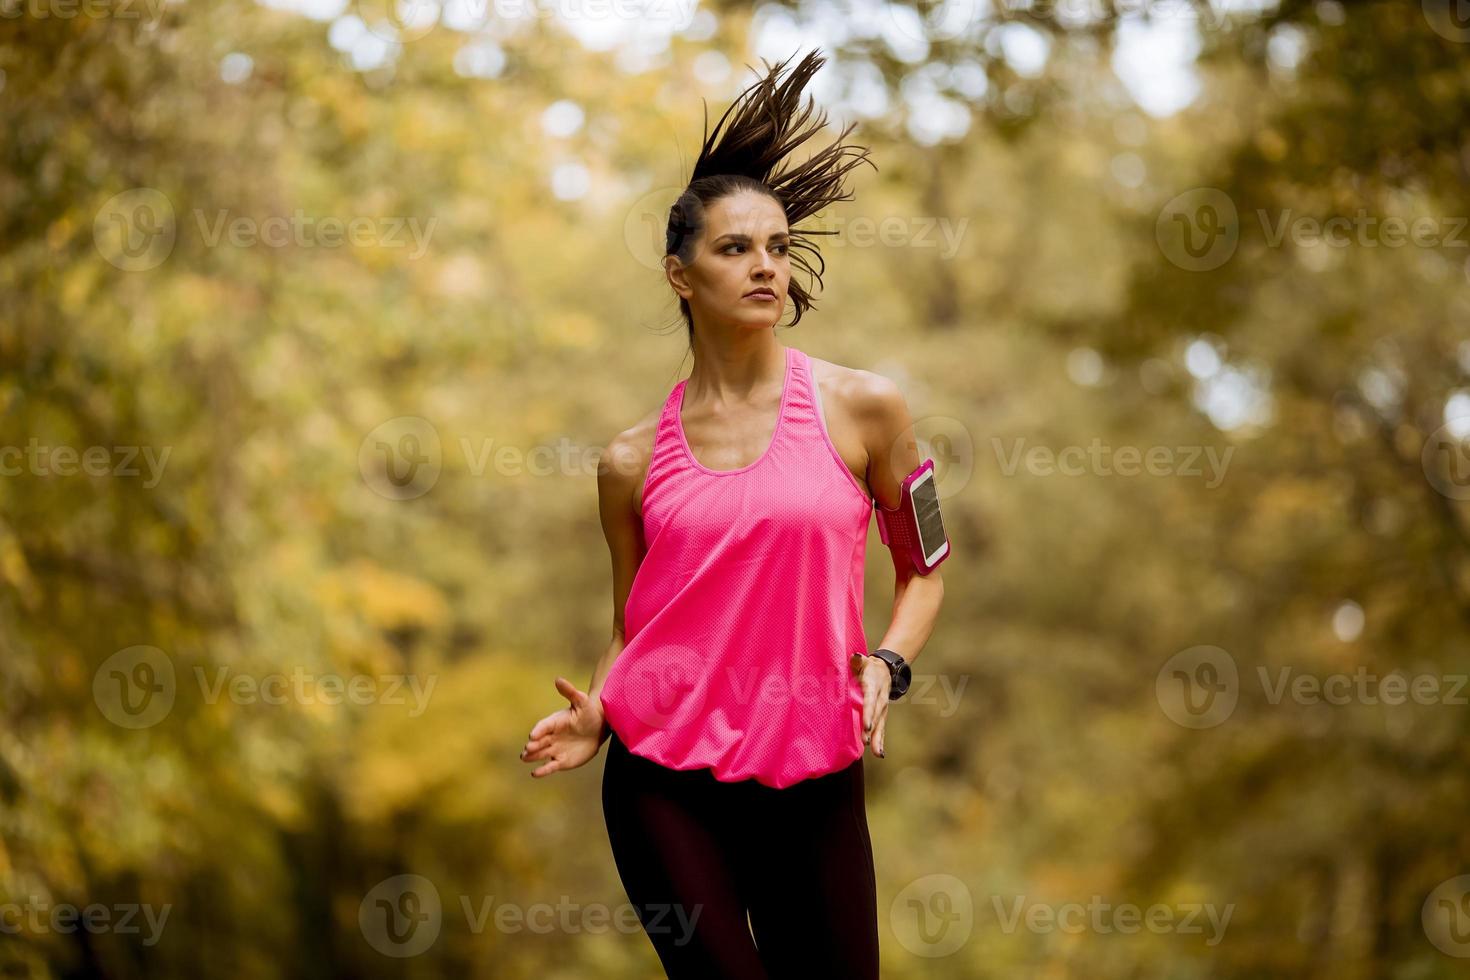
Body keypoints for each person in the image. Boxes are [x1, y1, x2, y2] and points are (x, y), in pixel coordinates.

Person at [519, 48, 946, 979]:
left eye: (779, 247)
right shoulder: (628, 461)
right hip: (664, 783)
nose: (766, 267)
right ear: (681, 276)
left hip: (816, 773)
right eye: (735, 248)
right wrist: (599, 711)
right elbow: (632, 622)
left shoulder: (867, 409)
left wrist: (889, 664)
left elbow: (926, 565)